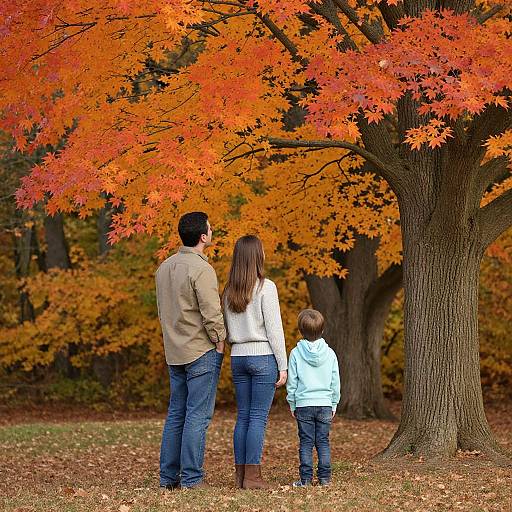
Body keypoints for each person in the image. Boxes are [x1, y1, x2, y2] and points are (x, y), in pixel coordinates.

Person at [156, 211, 226, 490]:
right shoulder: (201, 269)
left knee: (177, 414)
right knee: (197, 415)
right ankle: (192, 479)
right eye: (210, 228)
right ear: (202, 236)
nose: (212, 231)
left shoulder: (164, 268)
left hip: (174, 351)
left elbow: (164, 311)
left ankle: (168, 478)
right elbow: (211, 312)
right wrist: (220, 342)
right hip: (200, 351)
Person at [223, 235, 288, 489]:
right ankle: (253, 478)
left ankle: (241, 477)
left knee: (243, 417)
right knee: (258, 418)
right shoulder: (266, 287)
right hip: (263, 356)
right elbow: (275, 330)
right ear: (256, 256)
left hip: (238, 356)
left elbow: (227, 330)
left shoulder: (229, 289)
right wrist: (283, 365)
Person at [286, 309, 340, 487]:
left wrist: (292, 403)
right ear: (322, 330)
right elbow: (335, 382)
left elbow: (292, 382)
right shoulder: (330, 353)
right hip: (324, 404)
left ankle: (305, 479)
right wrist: (334, 403)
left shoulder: (295, 353)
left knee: (306, 442)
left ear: (301, 331)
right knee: (323, 441)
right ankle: (325, 479)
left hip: (304, 405)